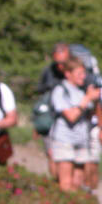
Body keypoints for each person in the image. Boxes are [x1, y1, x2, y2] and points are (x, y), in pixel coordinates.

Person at [48, 56, 102, 191]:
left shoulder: (81, 91)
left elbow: (90, 116)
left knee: (77, 185)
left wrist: (95, 100)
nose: (83, 77)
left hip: (82, 140)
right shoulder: (60, 91)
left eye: (84, 73)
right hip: (64, 140)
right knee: (65, 184)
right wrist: (88, 98)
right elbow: (71, 116)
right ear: (68, 74)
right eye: (79, 74)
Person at [35, 43, 71, 177]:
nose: (61, 66)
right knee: (52, 155)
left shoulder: (77, 72)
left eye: (64, 62)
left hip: (72, 122)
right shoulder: (48, 72)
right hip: (51, 120)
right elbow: (41, 97)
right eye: (58, 62)